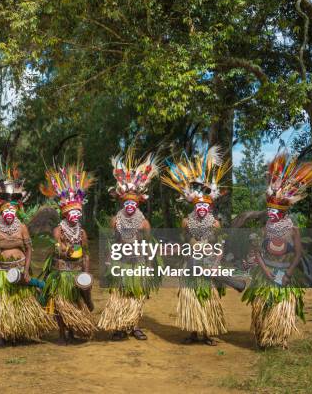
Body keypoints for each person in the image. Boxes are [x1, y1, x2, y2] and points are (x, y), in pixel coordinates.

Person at [242, 149, 312, 348]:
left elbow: (297, 254)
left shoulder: (292, 230)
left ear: (283, 212)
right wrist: (265, 269)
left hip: (285, 274)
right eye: (268, 209)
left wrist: (287, 273)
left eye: (274, 210)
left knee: (283, 304)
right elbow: (257, 252)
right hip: (266, 272)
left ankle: (281, 338)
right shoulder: (265, 228)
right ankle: (264, 335)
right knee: (263, 303)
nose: (270, 213)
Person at [0, 158, 54, 345]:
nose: (9, 213)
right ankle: (5, 333)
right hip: (1, 271)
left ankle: (19, 331)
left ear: (16, 210)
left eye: (11, 210)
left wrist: (26, 271)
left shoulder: (22, 227)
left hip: (20, 269)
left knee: (20, 301)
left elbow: (29, 250)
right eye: (5, 210)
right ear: (1, 212)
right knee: (5, 302)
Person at [162, 145, 230, 345]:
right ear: (194, 205)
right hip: (191, 263)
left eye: (205, 206)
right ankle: (193, 331)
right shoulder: (186, 221)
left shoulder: (216, 224)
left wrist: (216, 262)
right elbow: (184, 240)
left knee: (208, 297)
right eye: (198, 205)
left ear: (209, 206)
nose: (201, 208)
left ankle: (208, 332)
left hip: (208, 263)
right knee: (190, 295)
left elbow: (220, 244)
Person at [98, 146, 161, 341]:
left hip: (138, 262)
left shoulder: (144, 223)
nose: (130, 206)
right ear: (123, 204)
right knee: (120, 294)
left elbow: (148, 244)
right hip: (122, 262)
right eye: (127, 204)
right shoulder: (115, 221)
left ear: (138, 204)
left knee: (137, 295)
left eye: (133, 204)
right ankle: (119, 326)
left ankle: (134, 326)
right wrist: (109, 260)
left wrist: (149, 264)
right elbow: (112, 242)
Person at [40, 163, 97, 344]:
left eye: (78, 212)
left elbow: (86, 254)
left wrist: (86, 273)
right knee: (60, 303)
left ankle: (73, 331)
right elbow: (56, 250)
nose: (75, 215)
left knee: (74, 302)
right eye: (72, 212)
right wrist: (66, 251)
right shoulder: (59, 230)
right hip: (62, 272)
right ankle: (62, 334)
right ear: (65, 214)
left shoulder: (82, 233)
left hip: (76, 272)